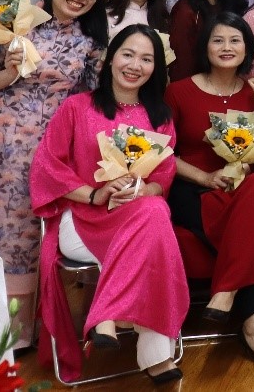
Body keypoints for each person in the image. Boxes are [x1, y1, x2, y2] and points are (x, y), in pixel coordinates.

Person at [31, 25, 187, 383]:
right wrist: (96, 194)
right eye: (127, 54)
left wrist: (141, 190)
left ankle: (106, 317)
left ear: (156, 68)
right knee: (154, 226)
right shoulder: (77, 107)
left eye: (146, 59)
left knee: (153, 210)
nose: (135, 65)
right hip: (83, 220)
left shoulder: (160, 117)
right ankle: (155, 355)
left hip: (136, 216)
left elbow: (163, 177)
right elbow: (46, 167)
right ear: (111, 58)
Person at [0, 0, 107, 349]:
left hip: (56, 150)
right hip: (6, 146)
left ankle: (30, 332)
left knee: (39, 233)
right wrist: (10, 70)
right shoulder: (15, 20)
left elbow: (90, 99)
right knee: (0, 231)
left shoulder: (91, 41)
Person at [163, 14, 254, 368]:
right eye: (218, 40)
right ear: (205, 47)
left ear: (247, 48)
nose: (226, 47)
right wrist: (205, 178)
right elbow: (162, 152)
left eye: (235, 40)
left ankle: (227, 292)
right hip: (194, 188)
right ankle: (252, 322)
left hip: (244, 188)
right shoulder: (178, 91)